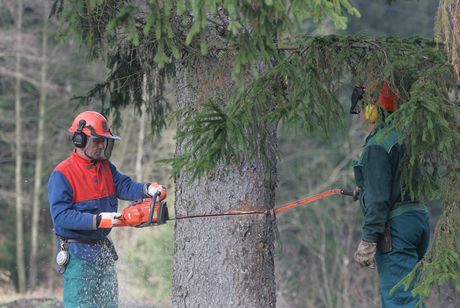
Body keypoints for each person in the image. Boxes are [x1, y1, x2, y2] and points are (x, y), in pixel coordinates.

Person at [48, 111, 166, 307]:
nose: (101, 145)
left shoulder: (106, 167)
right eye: (97, 141)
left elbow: (125, 187)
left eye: (104, 141)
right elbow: (61, 216)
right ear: (80, 139)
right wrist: (97, 220)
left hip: (103, 249)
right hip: (77, 253)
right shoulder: (62, 174)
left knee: (109, 303)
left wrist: (148, 189)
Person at [350, 82, 430, 307]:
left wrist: (368, 240)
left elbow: (379, 201)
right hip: (418, 221)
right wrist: (367, 186)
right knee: (409, 294)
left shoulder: (378, 145)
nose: (362, 115)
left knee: (400, 300)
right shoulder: (405, 136)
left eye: (365, 107)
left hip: (397, 230)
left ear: (375, 108)